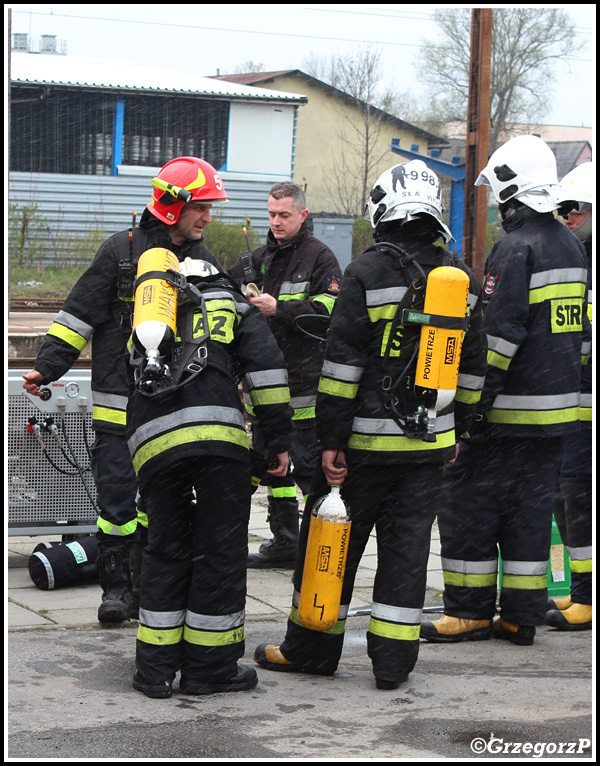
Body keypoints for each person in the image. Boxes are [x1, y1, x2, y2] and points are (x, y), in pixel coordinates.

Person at [252, 159, 487, 689]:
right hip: (428, 447)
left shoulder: (365, 273)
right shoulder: (461, 280)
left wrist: (332, 441)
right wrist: (457, 432)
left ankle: (311, 650)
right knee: (406, 555)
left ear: (385, 211)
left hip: (360, 451)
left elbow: (340, 370)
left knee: (330, 545)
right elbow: (474, 367)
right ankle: (393, 664)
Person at [22, 156, 227, 624]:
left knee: (161, 505)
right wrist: (47, 368)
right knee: (116, 506)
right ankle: (116, 592)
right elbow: (78, 315)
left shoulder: (203, 261)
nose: (208, 217)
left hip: (172, 411)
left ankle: (152, 590)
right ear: (175, 206)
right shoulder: (120, 253)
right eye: (202, 207)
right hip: (118, 410)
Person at [420, 135, 591, 647]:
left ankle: (470, 611)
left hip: (507, 415)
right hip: (557, 415)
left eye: (498, 193)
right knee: (530, 516)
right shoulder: (570, 244)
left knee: (468, 505)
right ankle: (520, 615)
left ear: (513, 189)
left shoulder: (516, 248)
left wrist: (470, 409)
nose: (496, 205)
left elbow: (498, 338)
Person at [127, 258, 294, 698]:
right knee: (219, 553)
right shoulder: (235, 305)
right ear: (221, 279)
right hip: (217, 441)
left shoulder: (151, 311)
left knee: (164, 550)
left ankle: (154, 671)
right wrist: (276, 442)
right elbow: (268, 376)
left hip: (153, 443)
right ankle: (210, 669)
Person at [229, 182, 342, 568]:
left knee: (309, 470)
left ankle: (320, 546)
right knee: (271, 466)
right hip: (262, 386)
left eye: (284, 215)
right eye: (272, 214)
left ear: (303, 215)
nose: (276, 222)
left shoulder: (320, 257)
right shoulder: (255, 260)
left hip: (305, 385)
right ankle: (285, 542)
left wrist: (281, 309)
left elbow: (331, 308)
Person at [546, 161, 593, 631]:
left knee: (578, 496)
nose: (567, 216)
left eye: (576, 208)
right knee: (568, 496)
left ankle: (586, 597)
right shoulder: (577, 258)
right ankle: (584, 592)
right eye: (562, 208)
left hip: (586, 404)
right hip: (574, 402)